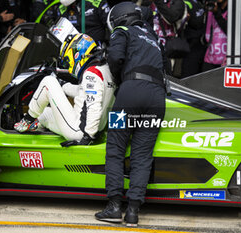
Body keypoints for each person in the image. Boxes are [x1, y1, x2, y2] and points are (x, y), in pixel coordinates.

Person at [95, 2, 166, 227]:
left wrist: (118, 80)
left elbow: (115, 58)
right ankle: (133, 211)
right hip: (157, 98)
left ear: (118, 18)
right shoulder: (153, 38)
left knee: (116, 148)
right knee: (142, 155)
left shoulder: (122, 31)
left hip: (130, 93)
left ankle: (114, 207)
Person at [14, 33, 115, 144]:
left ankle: (27, 120)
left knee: (48, 81)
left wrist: (87, 138)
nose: (69, 66)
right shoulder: (104, 68)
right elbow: (83, 92)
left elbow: (94, 107)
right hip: (94, 130)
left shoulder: (91, 74)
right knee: (45, 113)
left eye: (68, 61)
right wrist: (62, 85)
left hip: (79, 131)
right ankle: (34, 125)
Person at [202, 0, 227, 71]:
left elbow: (230, 30)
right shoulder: (211, 9)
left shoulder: (232, 10)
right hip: (210, 57)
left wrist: (216, 13)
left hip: (226, 59)